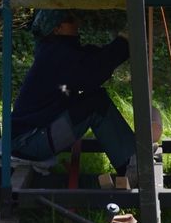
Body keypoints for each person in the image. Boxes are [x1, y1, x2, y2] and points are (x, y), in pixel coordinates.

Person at [10, 9, 137, 178]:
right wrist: (124, 41)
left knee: (94, 99)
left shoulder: (56, 50)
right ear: (56, 29)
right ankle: (132, 165)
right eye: (70, 19)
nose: (77, 22)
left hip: (29, 139)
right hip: (29, 143)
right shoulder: (57, 54)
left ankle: (131, 157)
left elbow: (92, 58)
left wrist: (123, 42)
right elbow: (95, 67)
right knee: (96, 104)